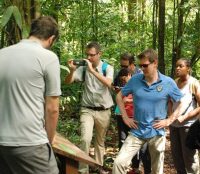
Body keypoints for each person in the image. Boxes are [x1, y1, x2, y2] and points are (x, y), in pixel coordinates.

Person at [0, 16, 61, 174]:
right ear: (51, 38)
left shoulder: (2, 54)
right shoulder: (48, 58)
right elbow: (52, 108)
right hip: (30, 143)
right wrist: (48, 141)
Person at [112, 48, 184, 174]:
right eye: (140, 65)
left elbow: (181, 103)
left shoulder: (168, 82)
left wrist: (169, 120)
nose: (142, 68)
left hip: (156, 132)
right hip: (137, 130)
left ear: (155, 63)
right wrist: (125, 117)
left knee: (157, 170)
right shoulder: (135, 80)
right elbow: (119, 96)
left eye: (145, 65)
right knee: (119, 163)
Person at [65, 41, 114, 174]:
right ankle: (83, 170)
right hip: (87, 109)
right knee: (85, 139)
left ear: (99, 54)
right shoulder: (84, 68)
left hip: (104, 110)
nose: (89, 58)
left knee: (100, 142)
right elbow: (68, 81)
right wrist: (72, 71)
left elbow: (109, 83)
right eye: (87, 55)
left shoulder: (107, 68)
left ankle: (97, 167)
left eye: (92, 55)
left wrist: (92, 71)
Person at [116, 68, 151, 174]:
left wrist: (129, 100)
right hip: (123, 116)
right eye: (121, 79)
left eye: (124, 78)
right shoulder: (124, 87)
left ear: (130, 76)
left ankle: (147, 170)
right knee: (125, 142)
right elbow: (119, 98)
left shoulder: (138, 84)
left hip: (138, 118)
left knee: (144, 147)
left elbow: (144, 98)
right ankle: (133, 167)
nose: (123, 80)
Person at [169, 58, 200, 174]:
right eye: (176, 66)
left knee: (189, 159)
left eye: (181, 66)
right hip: (174, 126)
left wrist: (185, 117)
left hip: (188, 126)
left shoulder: (194, 83)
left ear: (188, 69)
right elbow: (170, 101)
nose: (177, 68)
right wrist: (170, 116)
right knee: (177, 158)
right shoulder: (174, 82)